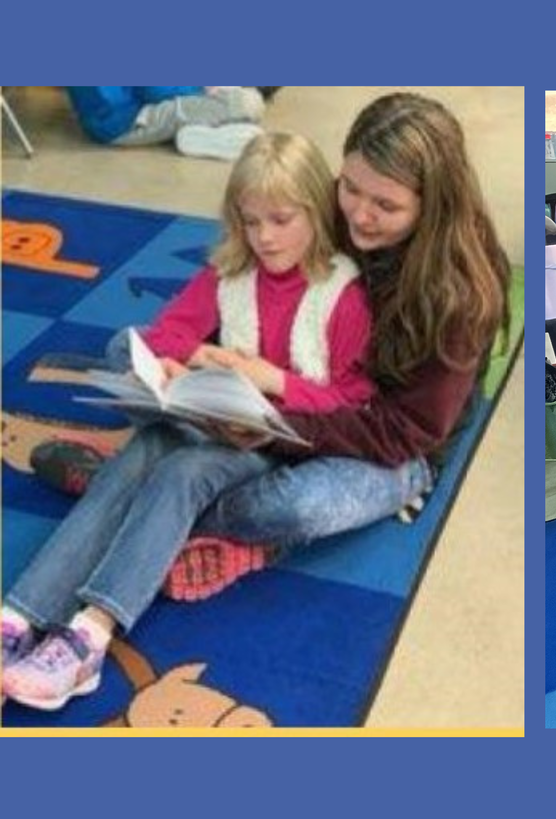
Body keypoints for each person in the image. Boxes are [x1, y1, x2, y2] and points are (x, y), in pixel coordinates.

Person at [32, 92, 511, 603]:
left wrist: (268, 427)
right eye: (349, 187)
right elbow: (246, 283)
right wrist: (198, 363)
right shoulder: (330, 208)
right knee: (121, 351)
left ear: (431, 205)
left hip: (383, 442)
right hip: (283, 394)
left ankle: (135, 498)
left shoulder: (460, 294)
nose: (360, 215)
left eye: (387, 206)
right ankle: (158, 501)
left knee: (297, 507)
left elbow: (400, 433)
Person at [2, 132, 375, 710]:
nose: (265, 237)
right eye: (250, 222)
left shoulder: (343, 293)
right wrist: (178, 364)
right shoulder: (232, 271)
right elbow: (168, 333)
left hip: (284, 438)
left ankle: (91, 635)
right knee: (145, 446)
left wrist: (264, 379)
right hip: (218, 417)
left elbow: (349, 399)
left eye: (280, 220)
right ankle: (18, 616)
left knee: (184, 472)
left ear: (315, 211)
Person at [65, 86, 265, 161]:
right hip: (126, 119)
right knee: (248, 102)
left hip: (120, 108)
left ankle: (198, 129)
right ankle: (195, 135)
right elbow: (151, 91)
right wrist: (201, 89)